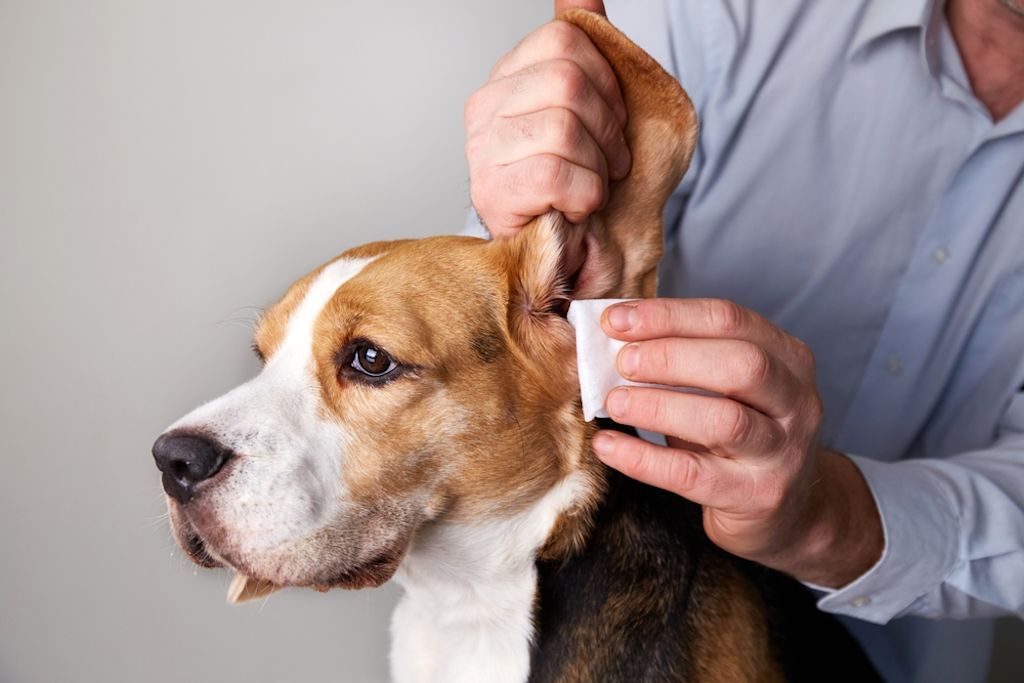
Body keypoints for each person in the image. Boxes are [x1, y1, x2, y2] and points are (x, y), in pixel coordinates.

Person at [463, 0, 1024, 681]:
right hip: (570, 630)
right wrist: (536, 233)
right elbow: (504, 292)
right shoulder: (710, 12)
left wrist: (826, 518)